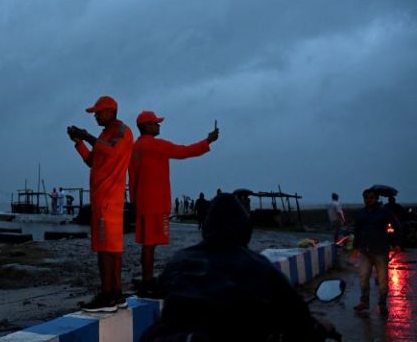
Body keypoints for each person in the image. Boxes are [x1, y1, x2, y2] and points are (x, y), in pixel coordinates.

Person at [140, 193, 337, 342]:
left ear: (207, 226)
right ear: (245, 227)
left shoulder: (180, 259)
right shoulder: (260, 267)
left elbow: (160, 289)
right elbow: (298, 318)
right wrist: (319, 328)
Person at [128, 111, 218, 293]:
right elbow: (184, 151)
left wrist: (134, 201)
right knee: (150, 244)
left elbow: (132, 178)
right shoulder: (157, 146)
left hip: (143, 203)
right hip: (156, 203)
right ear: (147, 126)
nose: (159, 126)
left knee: (147, 243)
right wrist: (207, 141)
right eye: (155, 123)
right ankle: (147, 281)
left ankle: (147, 278)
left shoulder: (135, 148)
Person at [67, 95, 134, 312]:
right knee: (111, 249)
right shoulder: (106, 134)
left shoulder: (121, 131)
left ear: (110, 111)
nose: (95, 115)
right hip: (105, 198)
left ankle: (107, 296)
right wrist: (79, 143)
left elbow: (112, 150)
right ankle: (116, 294)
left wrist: (86, 136)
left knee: (105, 249)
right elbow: (91, 161)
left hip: (108, 199)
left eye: (98, 112)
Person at [353, 188, 402, 315]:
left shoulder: (384, 212)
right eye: (366, 198)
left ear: (376, 198)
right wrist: (355, 248)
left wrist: (396, 243)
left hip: (381, 251)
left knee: (382, 280)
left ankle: (382, 304)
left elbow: (397, 226)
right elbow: (357, 231)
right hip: (365, 251)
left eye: (371, 197)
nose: (369, 200)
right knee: (363, 277)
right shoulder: (361, 213)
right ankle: (364, 302)